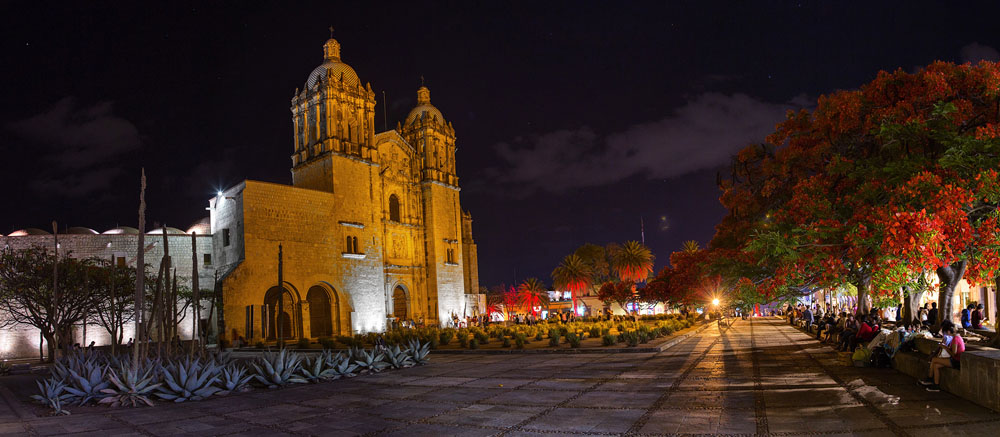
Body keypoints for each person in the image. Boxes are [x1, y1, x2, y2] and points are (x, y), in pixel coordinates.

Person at [920, 324, 964, 392]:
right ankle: (936, 385)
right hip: (955, 359)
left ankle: (929, 378)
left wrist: (945, 347)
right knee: (936, 366)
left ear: (949, 332)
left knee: (934, 360)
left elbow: (954, 354)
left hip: (956, 361)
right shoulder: (957, 337)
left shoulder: (955, 339)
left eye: (945, 332)